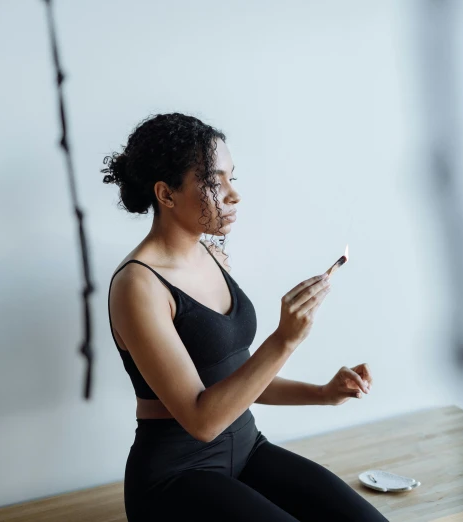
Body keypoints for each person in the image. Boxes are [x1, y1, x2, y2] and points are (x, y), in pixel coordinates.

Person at [102, 113, 388, 521]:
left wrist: (322, 393)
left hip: (247, 450)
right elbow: (203, 420)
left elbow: (236, 380)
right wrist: (284, 340)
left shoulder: (213, 255)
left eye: (232, 178)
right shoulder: (138, 286)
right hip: (174, 479)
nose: (233, 195)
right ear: (166, 194)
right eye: (213, 182)